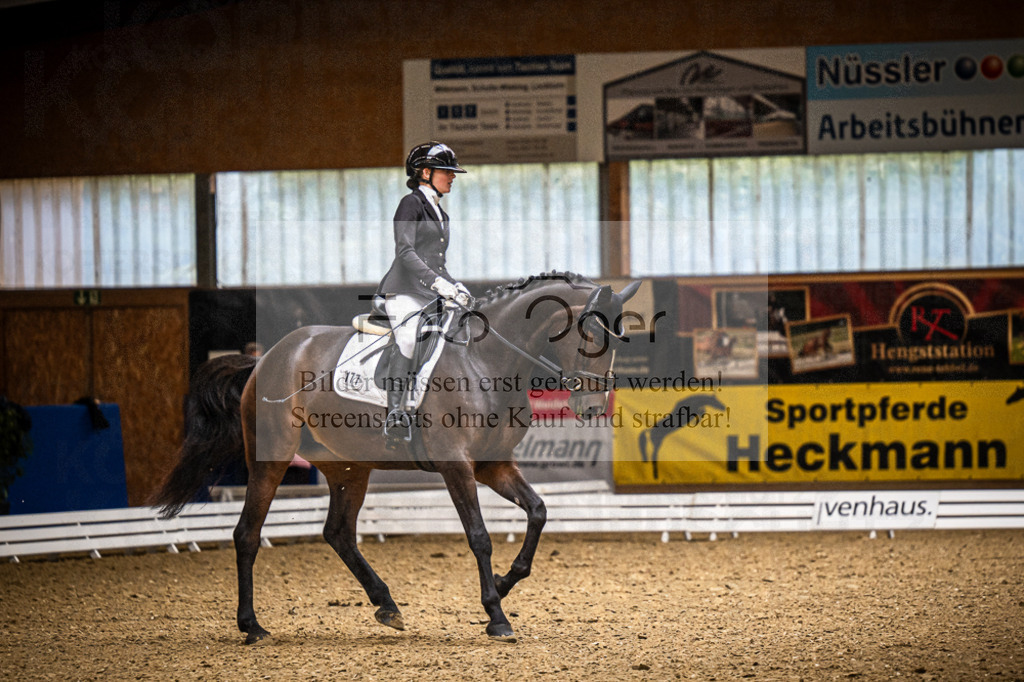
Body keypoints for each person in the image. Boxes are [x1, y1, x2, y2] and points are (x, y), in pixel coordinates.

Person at [376, 142, 472, 445]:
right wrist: (438, 284)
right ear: (425, 172)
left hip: (429, 292)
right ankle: (396, 413)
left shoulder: (441, 214)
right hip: (403, 291)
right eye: (447, 172)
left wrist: (454, 286)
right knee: (407, 336)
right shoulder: (410, 203)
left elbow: (436, 261)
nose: (453, 177)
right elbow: (405, 251)